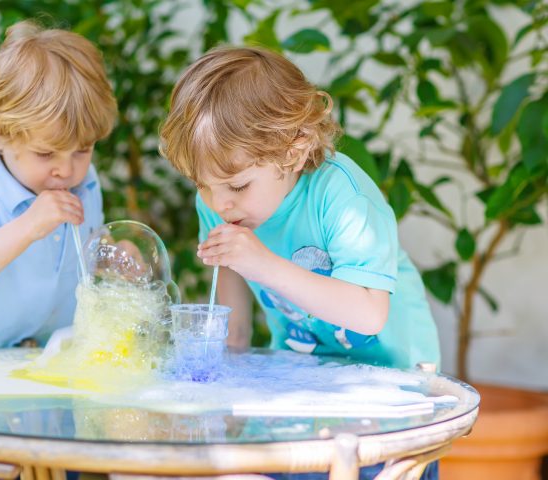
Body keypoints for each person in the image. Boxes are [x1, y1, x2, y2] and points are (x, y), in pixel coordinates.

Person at [160, 46, 440, 479]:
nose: (219, 203)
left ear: (295, 148)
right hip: (301, 388)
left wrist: (264, 264)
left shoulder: (342, 198)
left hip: (391, 396)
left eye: (237, 184)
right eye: (203, 185)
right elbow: (233, 324)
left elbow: (368, 314)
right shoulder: (218, 203)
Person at [0, 20, 116, 361]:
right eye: (45, 154)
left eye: (82, 150)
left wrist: (112, 255)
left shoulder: (85, 184)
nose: (67, 169)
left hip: (51, 376)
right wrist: (28, 226)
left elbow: (87, 252)